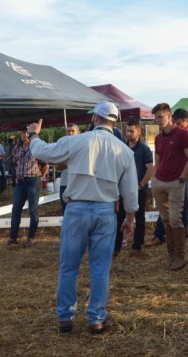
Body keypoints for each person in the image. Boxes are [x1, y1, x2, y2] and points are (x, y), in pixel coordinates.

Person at [27, 101, 138, 334]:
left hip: (76, 209)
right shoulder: (124, 151)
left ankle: (65, 318)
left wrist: (34, 134)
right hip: (106, 212)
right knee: (100, 267)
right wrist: (130, 218)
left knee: (69, 266)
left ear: (95, 119)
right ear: (114, 122)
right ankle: (96, 319)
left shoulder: (77, 141)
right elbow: (130, 192)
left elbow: (40, 151)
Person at [151, 103, 188, 271]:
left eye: (160, 116)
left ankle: (180, 255)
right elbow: (158, 160)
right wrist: (154, 179)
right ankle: (170, 254)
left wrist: (182, 178)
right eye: (156, 117)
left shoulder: (183, 135)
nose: (158, 120)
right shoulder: (158, 138)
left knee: (175, 218)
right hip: (160, 183)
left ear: (169, 116)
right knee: (166, 219)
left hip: (176, 183)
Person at [8, 127, 48, 247]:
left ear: (29, 134)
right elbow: (15, 163)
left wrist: (40, 178)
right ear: (20, 133)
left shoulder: (35, 147)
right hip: (20, 182)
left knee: (33, 210)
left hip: (33, 181)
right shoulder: (16, 148)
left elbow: (45, 165)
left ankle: (31, 238)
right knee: (15, 210)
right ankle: (13, 238)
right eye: (22, 132)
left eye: (26, 132)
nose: (24, 134)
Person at [123, 120, 154, 256]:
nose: (129, 134)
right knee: (119, 217)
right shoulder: (122, 148)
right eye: (127, 131)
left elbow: (150, 169)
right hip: (123, 189)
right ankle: (117, 245)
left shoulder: (144, 149)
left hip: (139, 189)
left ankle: (137, 245)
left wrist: (141, 185)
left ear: (139, 132)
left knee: (140, 218)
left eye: (132, 131)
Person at [56, 124, 80, 215]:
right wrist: (73, 161)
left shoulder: (83, 147)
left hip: (79, 184)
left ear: (78, 133)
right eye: (68, 131)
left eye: (72, 131)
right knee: (65, 213)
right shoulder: (62, 148)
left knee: (78, 212)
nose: (70, 133)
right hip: (65, 184)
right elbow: (57, 166)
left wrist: (66, 161)